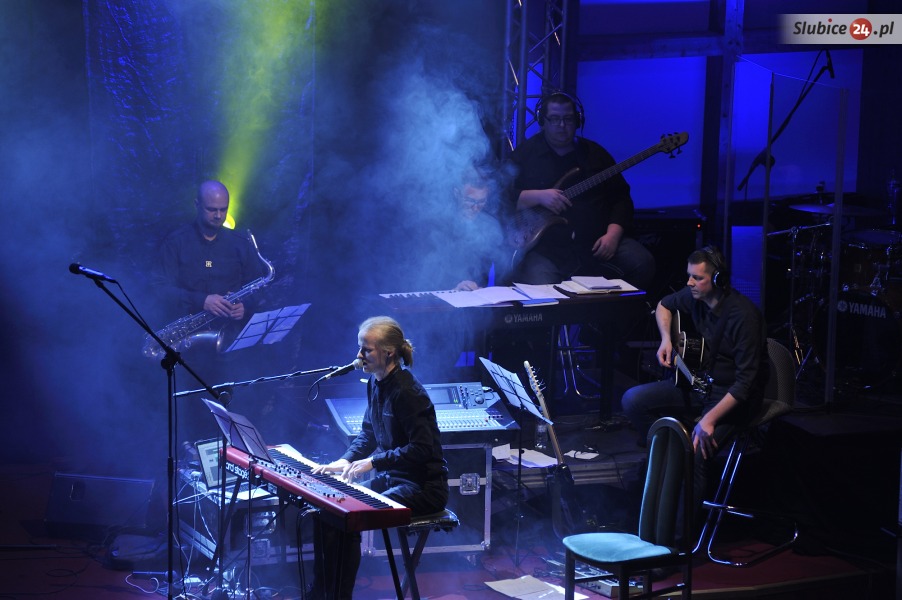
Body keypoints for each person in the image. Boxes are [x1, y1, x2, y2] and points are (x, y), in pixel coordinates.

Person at [620, 246, 768, 527]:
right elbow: (664, 305)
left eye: (697, 278)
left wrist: (709, 420)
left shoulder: (743, 317)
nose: (689, 283)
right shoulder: (694, 297)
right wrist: (666, 340)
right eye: (689, 276)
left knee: (696, 455)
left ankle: (678, 540)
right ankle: (666, 460)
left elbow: (745, 384)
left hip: (733, 398)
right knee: (633, 400)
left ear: (718, 280)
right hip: (704, 386)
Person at [309, 316, 449, 600]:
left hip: (424, 487)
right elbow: (368, 433)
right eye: (360, 348)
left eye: (366, 349)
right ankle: (322, 594)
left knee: (351, 516)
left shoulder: (408, 393)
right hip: (393, 480)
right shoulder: (375, 382)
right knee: (329, 511)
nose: (359, 355)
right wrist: (345, 460)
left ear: (389, 352)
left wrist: (374, 462)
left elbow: (423, 449)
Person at [507, 90, 655, 290]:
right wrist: (537, 196)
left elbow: (621, 198)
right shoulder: (525, 155)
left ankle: (613, 311)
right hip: (547, 250)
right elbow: (498, 195)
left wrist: (613, 235)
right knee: (541, 288)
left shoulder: (595, 154)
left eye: (568, 119)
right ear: (543, 121)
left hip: (595, 242)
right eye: (554, 119)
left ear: (578, 121)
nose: (562, 125)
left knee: (642, 262)